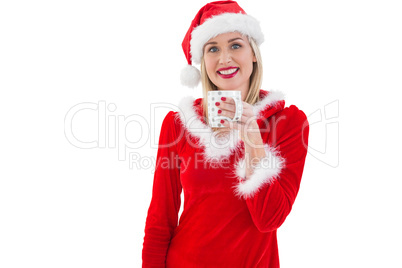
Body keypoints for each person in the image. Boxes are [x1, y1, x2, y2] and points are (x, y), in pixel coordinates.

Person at [142, 1, 309, 267]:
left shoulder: (289, 123)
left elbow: (270, 220)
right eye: (213, 49)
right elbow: (160, 220)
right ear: (203, 61)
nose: (224, 58)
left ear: (253, 53)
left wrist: (253, 142)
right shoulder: (178, 124)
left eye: (235, 45)